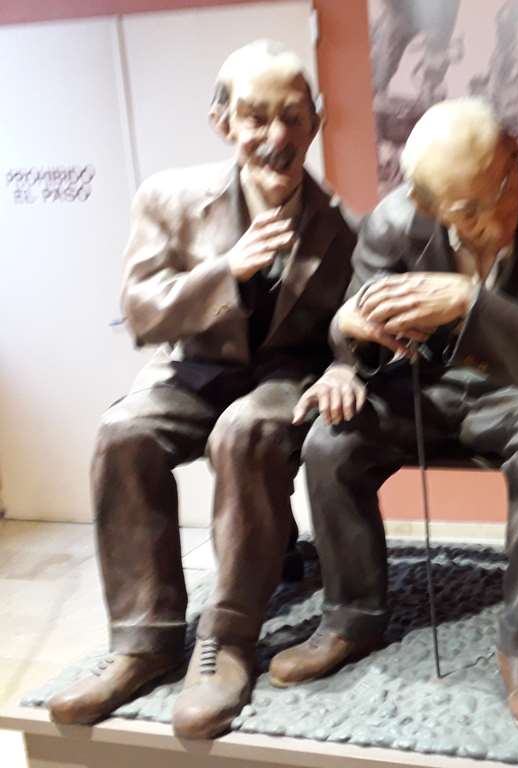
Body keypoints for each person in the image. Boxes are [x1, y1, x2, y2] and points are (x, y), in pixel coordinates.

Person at [269, 98, 518, 735]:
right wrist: (349, 348)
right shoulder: (393, 225)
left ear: (513, 153)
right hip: (419, 389)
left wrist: (468, 302)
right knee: (330, 441)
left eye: (501, 188)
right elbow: (355, 332)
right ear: (427, 205)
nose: (495, 216)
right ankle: (350, 615)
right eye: (467, 211)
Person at [47, 40, 358, 740]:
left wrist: (345, 365)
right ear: (223, 122)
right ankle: (143, 641)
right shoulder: (170, 199)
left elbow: (350, 322)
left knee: (245, 432)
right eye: (255, 117)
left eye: (293, 117)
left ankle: (228, 639)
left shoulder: (341, 226)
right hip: (193, 369)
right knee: (124, 433)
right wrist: (227, 271)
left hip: (282, 376)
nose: (276, 137)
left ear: (316, 121)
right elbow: (143, 311)